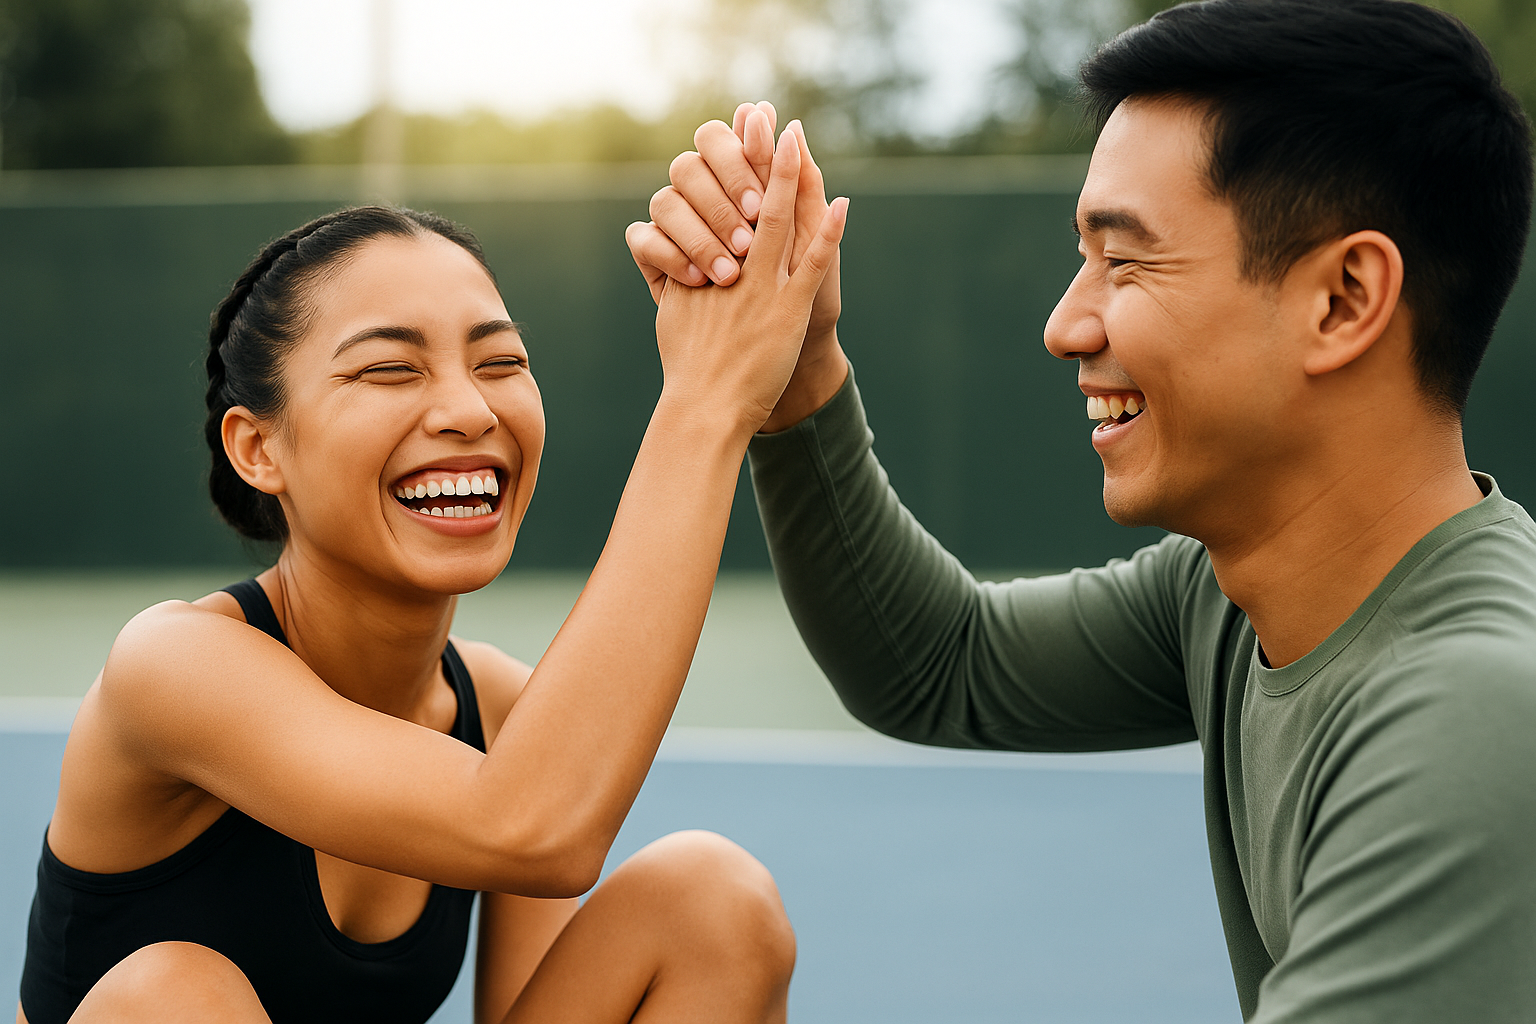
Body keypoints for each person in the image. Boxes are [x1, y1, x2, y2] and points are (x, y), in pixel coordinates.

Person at [626, 0, 1536, 1019]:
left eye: (1125, 258)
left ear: (1343, 299)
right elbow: (939, 663)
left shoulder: (1474, 716)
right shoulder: (1233, 594)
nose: (1066, 324)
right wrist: (800, 374)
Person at [16, 128, 848, 1024]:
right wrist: (708, 400)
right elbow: (535, 827)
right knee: (176, 995)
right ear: (259, 449)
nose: (467, 407)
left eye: (501, 362)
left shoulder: (501, 715)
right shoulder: (172, 666)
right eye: (388, 368)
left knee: (711, 901)